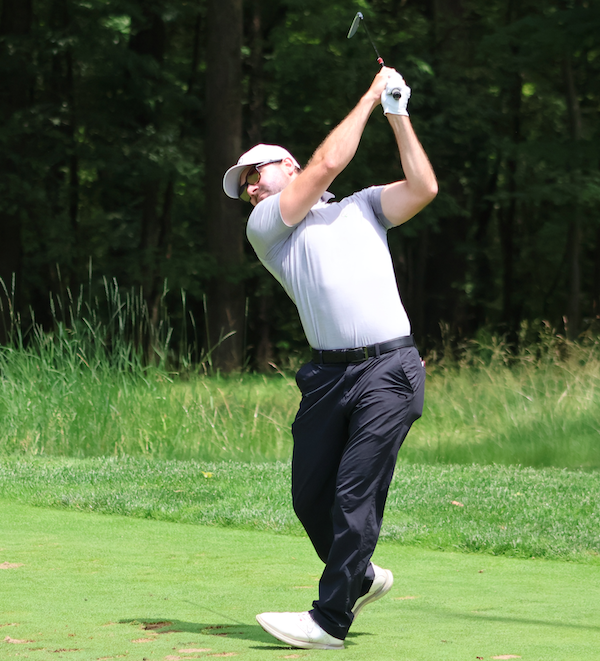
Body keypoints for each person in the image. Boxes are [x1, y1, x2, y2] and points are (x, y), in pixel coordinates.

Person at [221, 67, 436, 650]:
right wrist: (369, 94)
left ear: (283, 167)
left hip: (389, 370)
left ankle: (329, 619)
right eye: (244, 185)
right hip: (326, 375)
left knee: (353, 494)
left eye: (254, 175)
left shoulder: (364, 207)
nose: (250, 190)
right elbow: (327, 166)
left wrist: (396, 114)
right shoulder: (270, 225)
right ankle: (361, 576)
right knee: (309, 495)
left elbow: (422, 188)